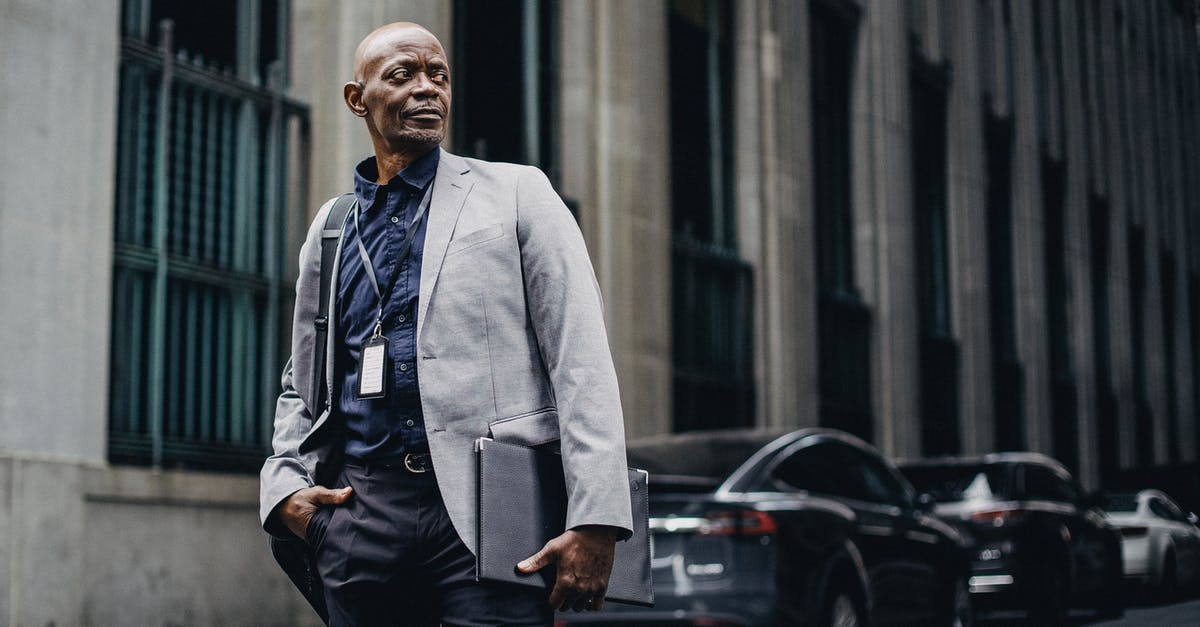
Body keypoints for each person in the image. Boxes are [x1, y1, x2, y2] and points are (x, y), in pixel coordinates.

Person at [259, 21, 633, 626]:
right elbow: (303, 381)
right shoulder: (330, 230)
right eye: (402, 75)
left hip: (494, 515)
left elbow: (581, 356)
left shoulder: (517, 192)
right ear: (358, 99)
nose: (427, 88)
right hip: (361, 514)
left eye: (438, 75)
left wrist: (596, 517)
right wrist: (283, 491)